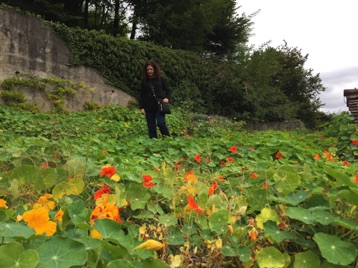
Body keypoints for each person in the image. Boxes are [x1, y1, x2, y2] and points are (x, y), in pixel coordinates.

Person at [140, 60, 171, 138]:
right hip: (148, 107)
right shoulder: (144, 81)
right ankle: (154, 145)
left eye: (151, 69)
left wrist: (167, 98)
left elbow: (168, 90)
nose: (149, 71)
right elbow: (142, 95)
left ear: (154, 69)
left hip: (159, 106)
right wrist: (142, 107)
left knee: (161, 123)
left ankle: (168, 139)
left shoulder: (160, 79)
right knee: (151, 128)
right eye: (148, 69)